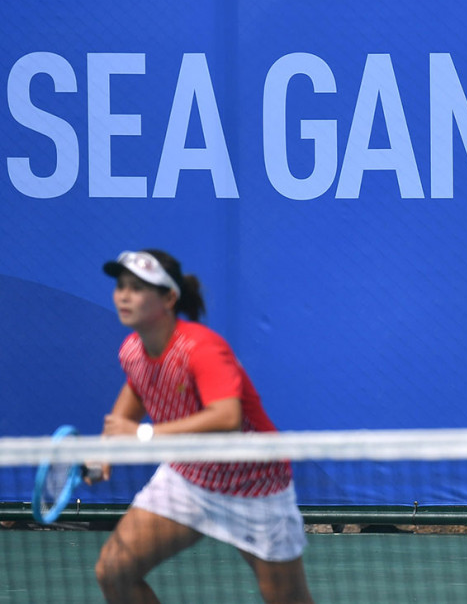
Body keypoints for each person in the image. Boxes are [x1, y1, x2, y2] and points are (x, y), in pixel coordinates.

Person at [91, 249, 314, 603]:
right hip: (189, 479)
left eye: (137, 287)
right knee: (114, 572)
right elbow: (137, 391)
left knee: (286, 599)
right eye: (120, 286)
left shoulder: (202, 348)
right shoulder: (132, 349)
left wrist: (143, 435)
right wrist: (103, 452)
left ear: (169, 298)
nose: (123, 295)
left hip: (253, 488)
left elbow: (227, 417)